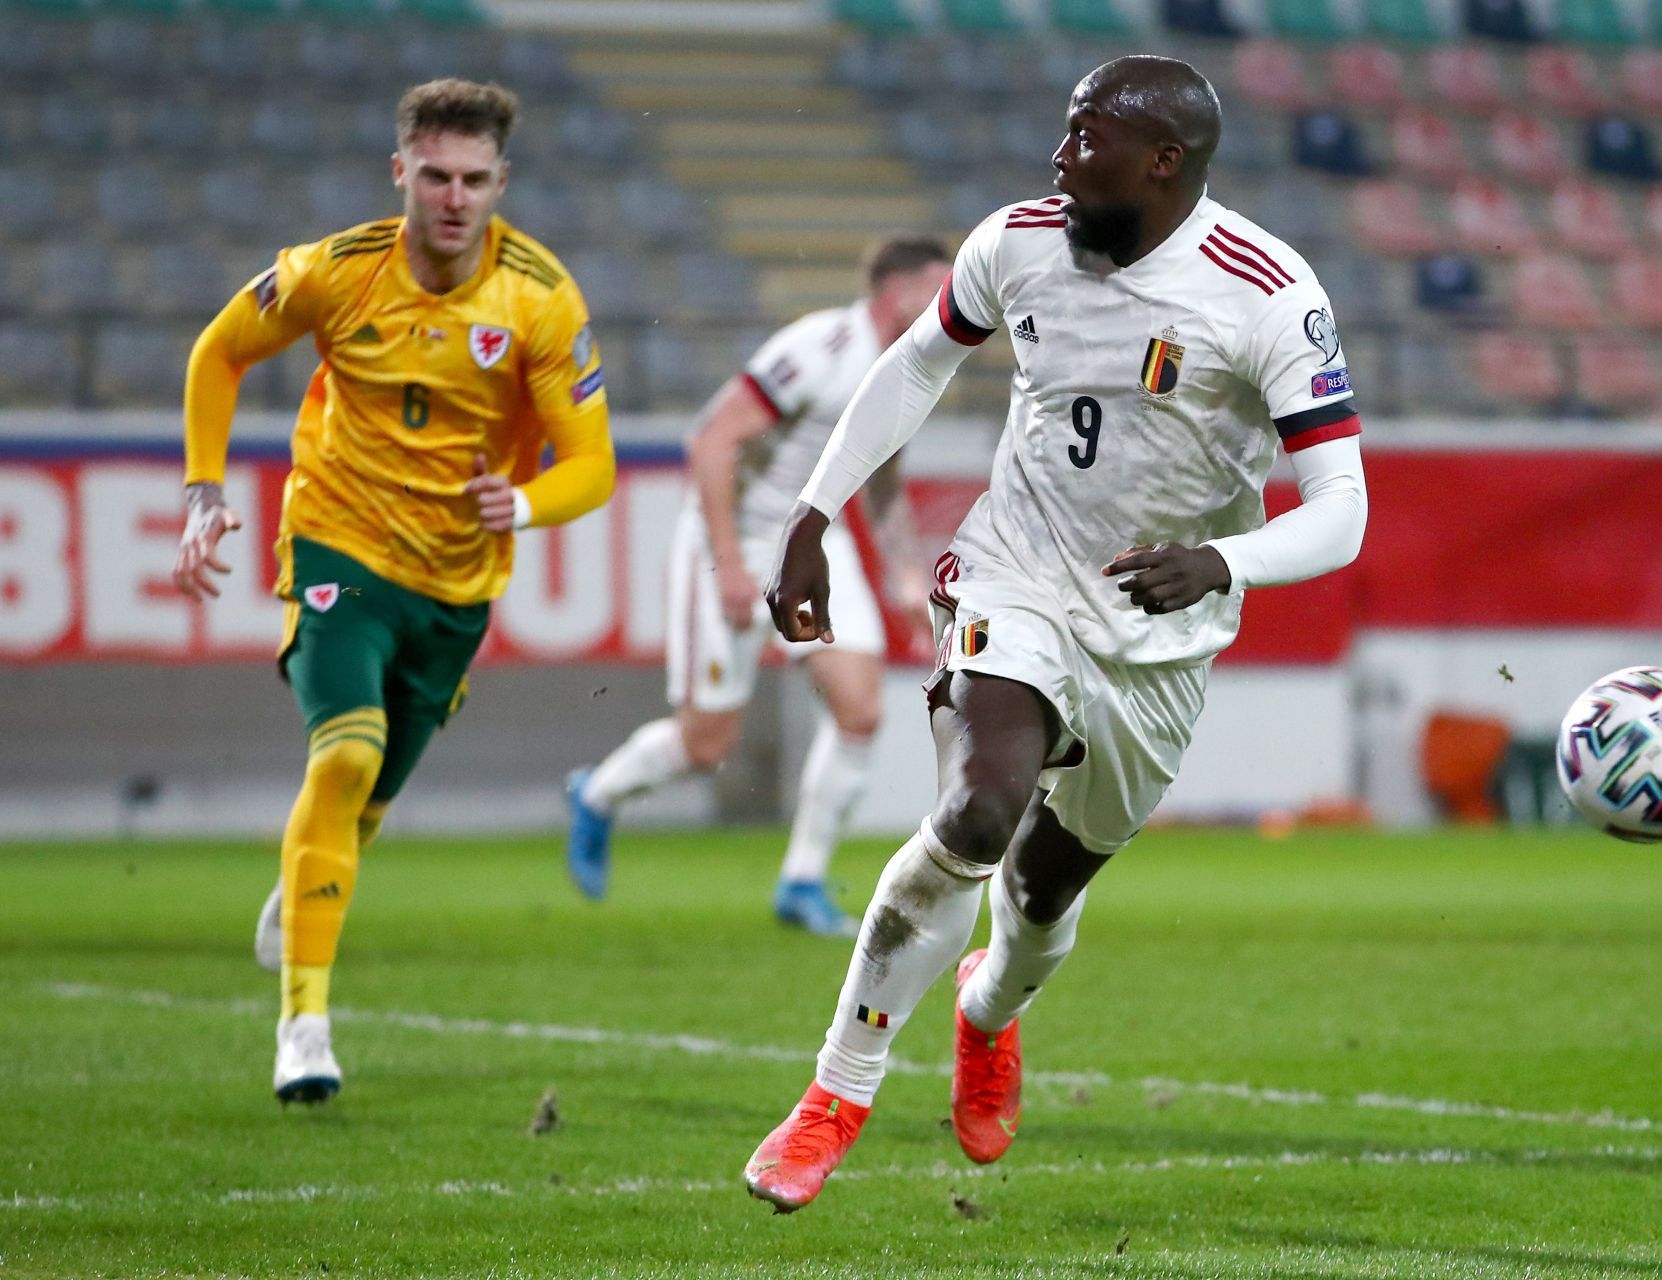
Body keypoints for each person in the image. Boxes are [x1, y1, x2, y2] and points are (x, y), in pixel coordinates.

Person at [742, 55, 1369, 1210]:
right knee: (976, 808)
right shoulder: (1017, 240)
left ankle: (986, 1009)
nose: (1061, 156)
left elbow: (1344, 509)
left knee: (1038, 898)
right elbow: (918, 361)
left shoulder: (1267, 291)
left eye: (1088, 137)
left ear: (1164, 162)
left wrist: (1222, 558)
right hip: (1016, 573)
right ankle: (837, 1090)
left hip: (1159, 633)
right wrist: (811, 514)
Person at [172, 79, 616, 1104]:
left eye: (473, 179)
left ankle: (302, 889)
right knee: (348, 750)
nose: (453, 197)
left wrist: (528, 503)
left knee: (365, 800)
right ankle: (304, 1023)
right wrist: (203, 492)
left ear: (500, 181)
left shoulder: (541, 299)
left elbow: (590, 463)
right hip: (338, 543)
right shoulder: (337, 271)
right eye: (434, 176)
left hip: (455, 582)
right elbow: (219, 351)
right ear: (400, 172)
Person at [563, 239, 949, 936]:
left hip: (812, 542)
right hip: (734, 540)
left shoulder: (912, 368)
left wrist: (903, 573)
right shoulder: (823, 345)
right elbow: (713, 440)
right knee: (706, 743)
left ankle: (801, 881)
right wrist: (730, 565)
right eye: (940, 286)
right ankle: (598, 793)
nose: (951, 301)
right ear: (898, 291)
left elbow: (884, 477)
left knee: (860, 709)